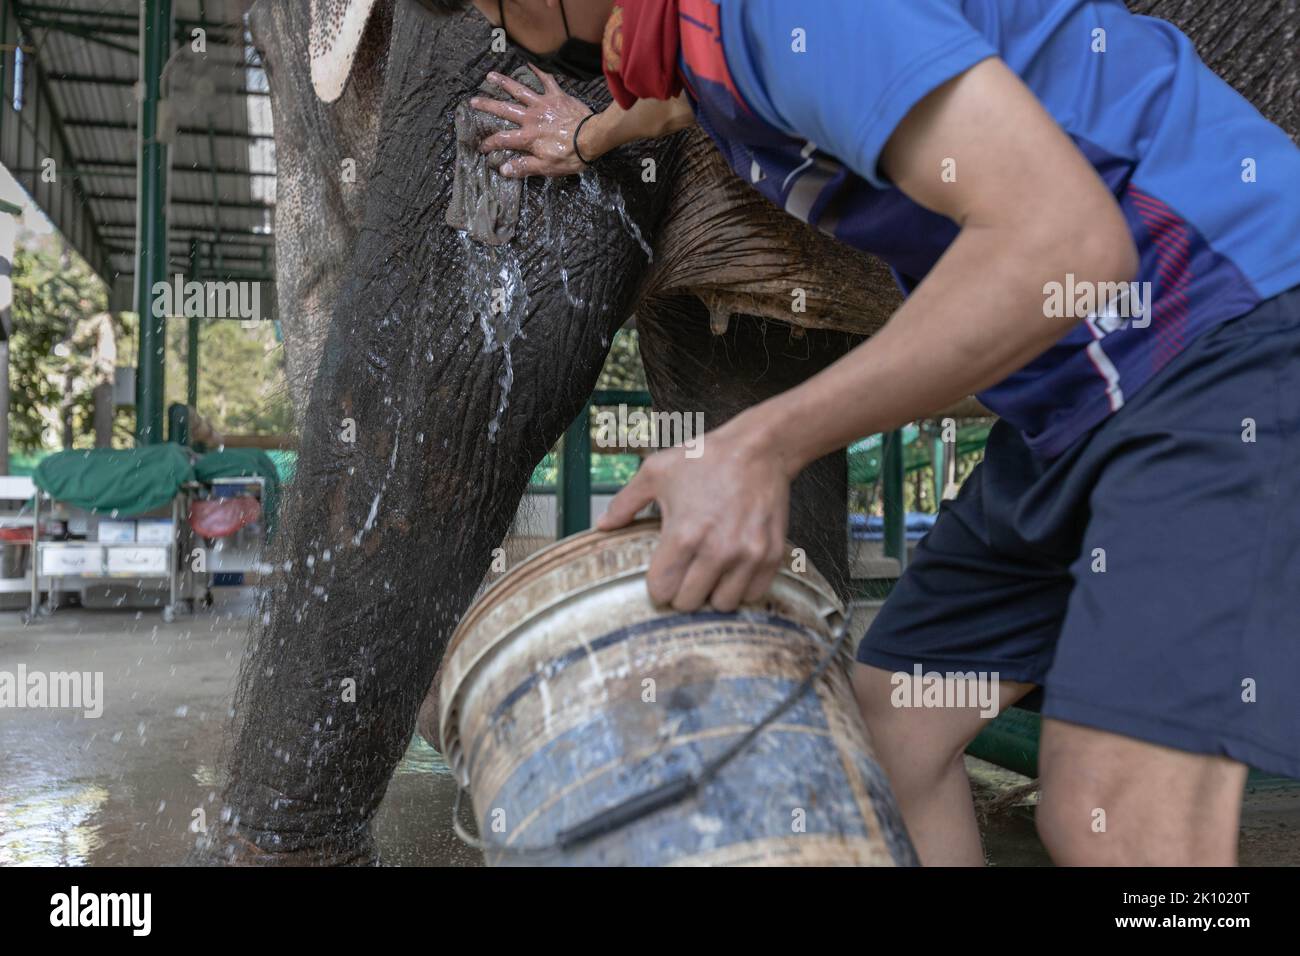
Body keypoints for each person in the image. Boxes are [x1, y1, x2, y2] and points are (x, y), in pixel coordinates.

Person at [431, 0, 1300, 865]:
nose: (499, 30)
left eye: (487, 7)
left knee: (1112, 815)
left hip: (1218, 326)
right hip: (1071, 398)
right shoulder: (701, 46)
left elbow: (1068, 243)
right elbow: (676, 100)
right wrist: (583, 136)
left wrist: (760, 444)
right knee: (895, 727)